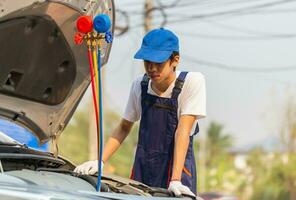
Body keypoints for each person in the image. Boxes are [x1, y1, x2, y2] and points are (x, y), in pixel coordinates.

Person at [74, 28, 206, 197]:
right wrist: (100, 161)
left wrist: (175, 180)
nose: (151, 68)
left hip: (178, 168)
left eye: (158, 62)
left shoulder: (192, 82)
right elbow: (124, 126)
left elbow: (183, 131)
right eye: (147, 62)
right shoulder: (140, 85)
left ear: (175, 60)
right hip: (144, 166)